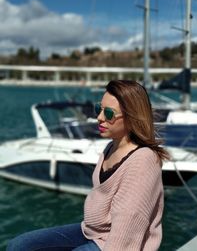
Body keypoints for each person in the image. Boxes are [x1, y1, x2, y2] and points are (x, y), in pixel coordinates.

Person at [7, 80, 170, 251]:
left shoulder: (143, 161)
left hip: (115, 242)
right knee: (18, 245)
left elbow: (128, 226)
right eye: (98, 109)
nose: (98, 117)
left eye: (108, 113)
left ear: (132, 117)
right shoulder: (110, 147)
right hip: (91, 230)